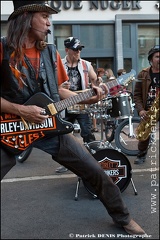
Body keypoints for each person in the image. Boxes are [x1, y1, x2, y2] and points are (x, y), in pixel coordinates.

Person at [0, 1, 145, 236]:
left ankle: (124, 218)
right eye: (44, 16)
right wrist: (21, 110)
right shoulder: (2, 49)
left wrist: (90, 97)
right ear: (26, 17)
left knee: (96, 171)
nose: (49, 23)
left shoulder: (49, 51)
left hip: (50, 127)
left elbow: (59, 92)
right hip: (11, 128)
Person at [56, 37, 97, 173]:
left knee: (87, 133)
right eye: (75, 49)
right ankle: (67, 164)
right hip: (65, 105)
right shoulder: (58, 64)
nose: (78, 51)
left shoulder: (86, 64)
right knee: (64, 136)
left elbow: (95, 79)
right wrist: (60, 86)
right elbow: (52, 85)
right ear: (67, 50)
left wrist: (95, 88)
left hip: (81, 104)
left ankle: (95, 161)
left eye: (80, 49)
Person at [134, 45, 160, 164]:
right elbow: (137, 95)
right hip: (149, 108)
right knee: (144, 134)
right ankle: (141, 155)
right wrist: (140, 110)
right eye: (157, 57)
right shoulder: (143, 74)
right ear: (151, 59)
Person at [92, 68, 105, 132]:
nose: (103, 74)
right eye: (102, 73)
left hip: (98, 96)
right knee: (96, 112)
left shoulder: (98, 79)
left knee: (99, 112)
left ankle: (98, 127)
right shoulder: (98, 79)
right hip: (97, 96)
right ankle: (95, 127)